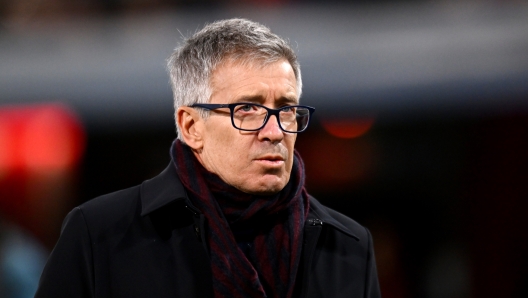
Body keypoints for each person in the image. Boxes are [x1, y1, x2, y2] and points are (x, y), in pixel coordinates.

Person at [35, 18, 381, 298]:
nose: (275, 132)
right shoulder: (100, 233)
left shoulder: (348, 244)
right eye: (247, 108)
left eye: (286, 110)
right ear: (190, 126)